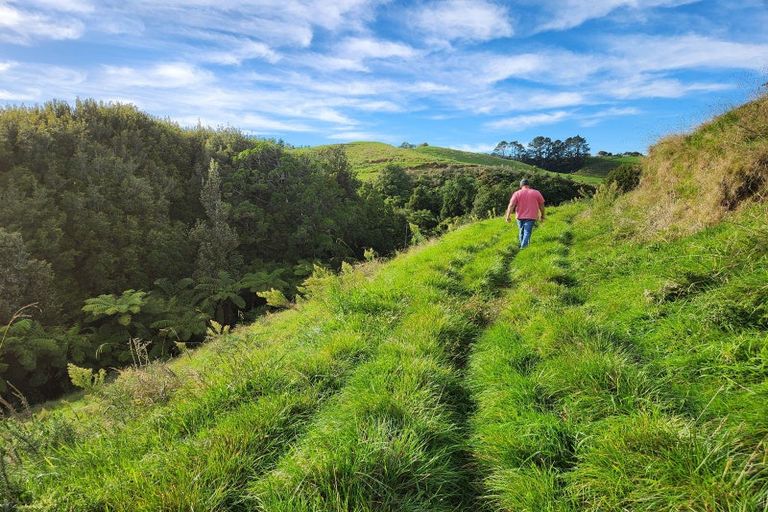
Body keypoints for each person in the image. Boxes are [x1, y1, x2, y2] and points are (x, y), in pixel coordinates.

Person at [504, 178, 545, 249]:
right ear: (528, 185)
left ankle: (523, 246)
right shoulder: (536, 192)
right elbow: (541, 205)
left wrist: (508, 216)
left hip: (519, 216)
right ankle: (524, 247)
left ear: (521, 185)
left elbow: (511, 205)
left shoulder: (517, 193)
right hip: (531, 216)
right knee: (527, 232)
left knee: (521, 231)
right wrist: (542, 215)